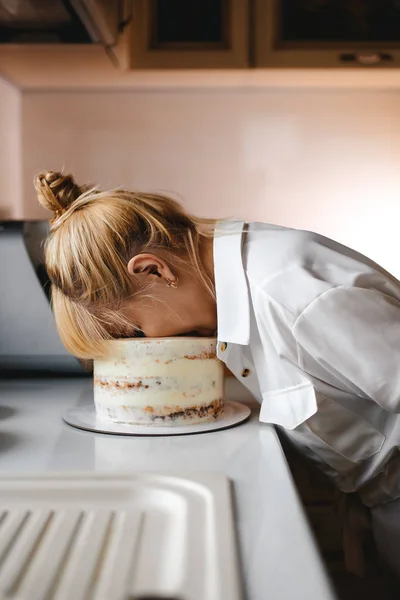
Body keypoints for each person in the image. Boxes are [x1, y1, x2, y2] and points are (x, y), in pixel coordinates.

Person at [35, 170, 400, 577]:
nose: (144, 343)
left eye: (134, 330)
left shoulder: (293, 296)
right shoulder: (233, 279)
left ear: (153, 271)